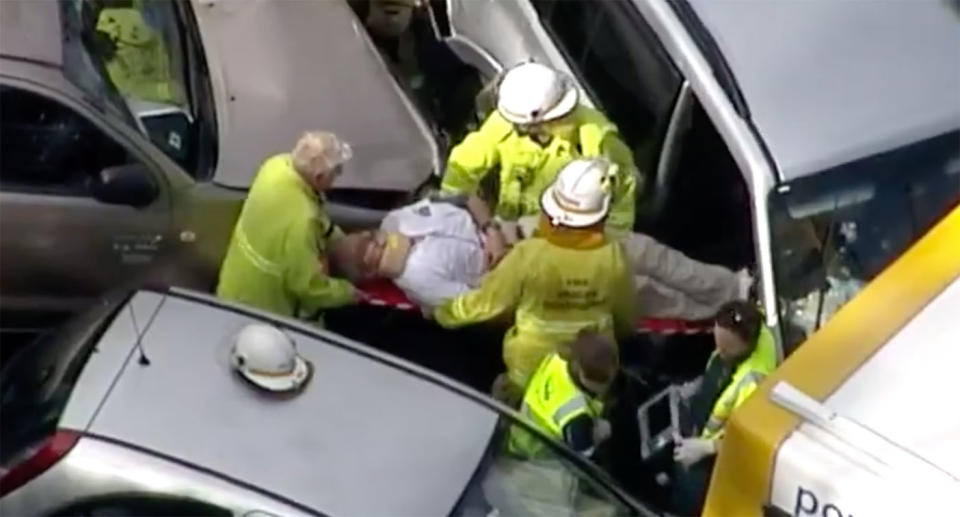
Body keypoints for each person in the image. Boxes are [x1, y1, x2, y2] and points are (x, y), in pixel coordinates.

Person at [432, 158, 636, 399]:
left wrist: (443, 312)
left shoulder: (529, 255)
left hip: (529, 375)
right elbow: (626, 315)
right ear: (601, 216)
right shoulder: (614, 256)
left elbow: (487, 303)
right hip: (590, 376)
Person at [440, 62, 640, 237]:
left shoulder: (599, 141)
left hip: (569, 240)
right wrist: (464, 221)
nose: (569, 118)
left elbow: (620, 211)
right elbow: (461, 171)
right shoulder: (506, 125)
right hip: (511, 232)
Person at [217, 131, 359, 325]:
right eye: (336, 173)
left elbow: (314, 212)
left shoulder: (277, 165)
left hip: (234, 289)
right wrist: (348, 293)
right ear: (318, 177)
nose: (337, 179)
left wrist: (336, 238)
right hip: (263, 311)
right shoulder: (302, 221)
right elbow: (308, 287)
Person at [670, 300, 777, 514]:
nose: (720, 350)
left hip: (714, 458)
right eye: (717, 342)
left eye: (726, 348)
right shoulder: (750, 323)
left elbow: (746, 438)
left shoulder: (753, 383)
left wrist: (706, 448)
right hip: (699, 432)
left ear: (746, 346)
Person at [331, 193, 507, 308]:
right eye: (364, 250)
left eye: (367, 236)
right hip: (505, 270)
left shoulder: (395, 219)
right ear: (368, 273)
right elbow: (484, 302)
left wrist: (492, 230)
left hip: (500, 226)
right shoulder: (420, 284)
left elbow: (468, 198)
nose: (371, 241)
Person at [509, 331, 618, 459]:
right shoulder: (575, 415)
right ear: (581, 372)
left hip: (521, 432)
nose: (606, 385)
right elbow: (584, 454)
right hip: (536, 455)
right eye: (601, 380)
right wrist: (598, 436)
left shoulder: (558, 360)